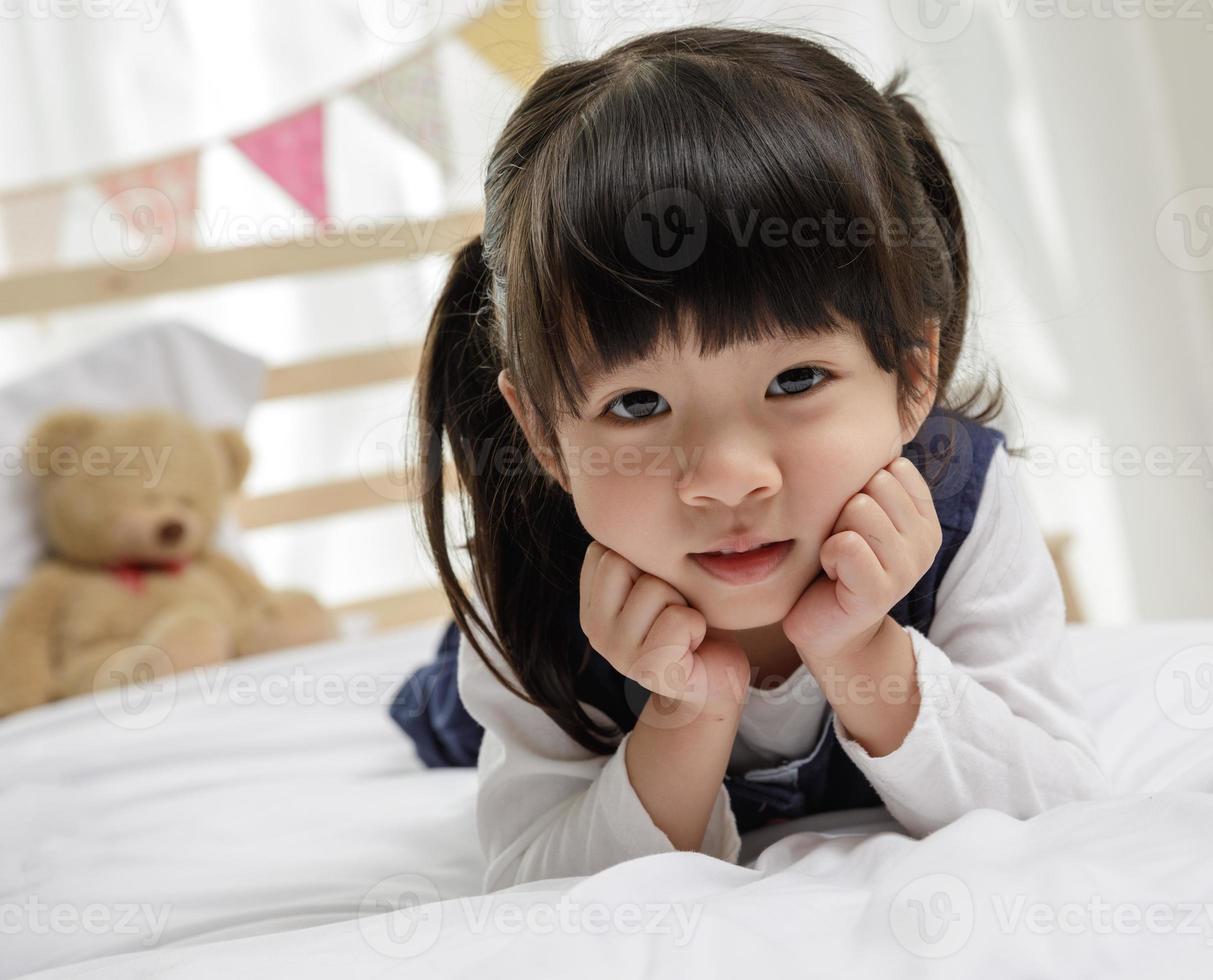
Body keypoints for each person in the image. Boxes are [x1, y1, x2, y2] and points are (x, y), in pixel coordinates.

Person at [389, 25, 1109, 893]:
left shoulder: (964, 496)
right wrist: (685, 713)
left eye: (797, 379)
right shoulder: (525, 585)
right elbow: (532, 886)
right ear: (543, 432)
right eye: (636, 404)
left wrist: (860, 652)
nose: (728, 477)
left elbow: (1061, 807)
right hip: (558, 621)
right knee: (442, 717)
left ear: (913, 375)